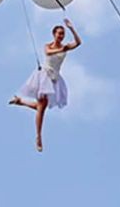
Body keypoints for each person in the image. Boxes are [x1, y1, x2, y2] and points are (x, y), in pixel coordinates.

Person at [9, 18, 80, 152]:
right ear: (54, 34)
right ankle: (38, 136)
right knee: (41, 107)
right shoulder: (48, 45)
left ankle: (20, 102)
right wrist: (62, 49)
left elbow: (78, 42)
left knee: (41, 107)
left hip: (55, 79)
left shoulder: (65, 47)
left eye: (63, 34)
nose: (61, 36)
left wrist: (71, 28)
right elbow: (48, 52)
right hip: (44, 76)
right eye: (59, 33)